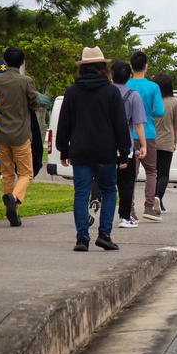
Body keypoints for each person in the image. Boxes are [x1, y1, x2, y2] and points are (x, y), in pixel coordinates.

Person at [55, 47, 131, 252]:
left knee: (81, 194)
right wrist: (124, 152)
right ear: (103, 67)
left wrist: (63, 150)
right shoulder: (111, 92)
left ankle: (82, 238)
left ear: (83, 69)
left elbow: (65, 123)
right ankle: (104, 235)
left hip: (80, 151)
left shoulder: (72, 92)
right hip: (106, 150)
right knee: (108, 191)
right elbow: (120, 125)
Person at [0, 47, 41, 227]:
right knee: (26, 173)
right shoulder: (26, 81)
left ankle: (10, 213)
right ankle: (14, 197)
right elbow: (34, 103)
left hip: (2, 133)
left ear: (4, 62)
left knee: (7, 173)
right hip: (21, 133)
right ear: (22, 63)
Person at [109, 60, 147, 229]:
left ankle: (95, 204)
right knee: (126, 183)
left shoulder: (106, 93)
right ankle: (125, 216)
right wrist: (143, 144)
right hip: (126, 146)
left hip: (104, 145)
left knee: (104, 180)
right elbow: (138, 124)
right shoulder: (133, 96)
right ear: (129, 76)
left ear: (111, 75)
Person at [127, 50, 164, 222]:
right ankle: (148, 207)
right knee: (151, 171)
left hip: (127, 134)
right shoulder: (153, 87)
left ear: (131, 66)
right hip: (147, 133)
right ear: (146, 66)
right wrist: (149, 114)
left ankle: (130, 208)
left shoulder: (125, 84)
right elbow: (161, 111)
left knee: (129, 174)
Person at [152, 72, 177, 214]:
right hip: (166, 142)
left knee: (153, 173)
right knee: (164, 174)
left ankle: (156, 201)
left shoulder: (151, 100)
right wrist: (175, 140)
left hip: (151, 141)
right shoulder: (173, 102)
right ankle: (158, 197)